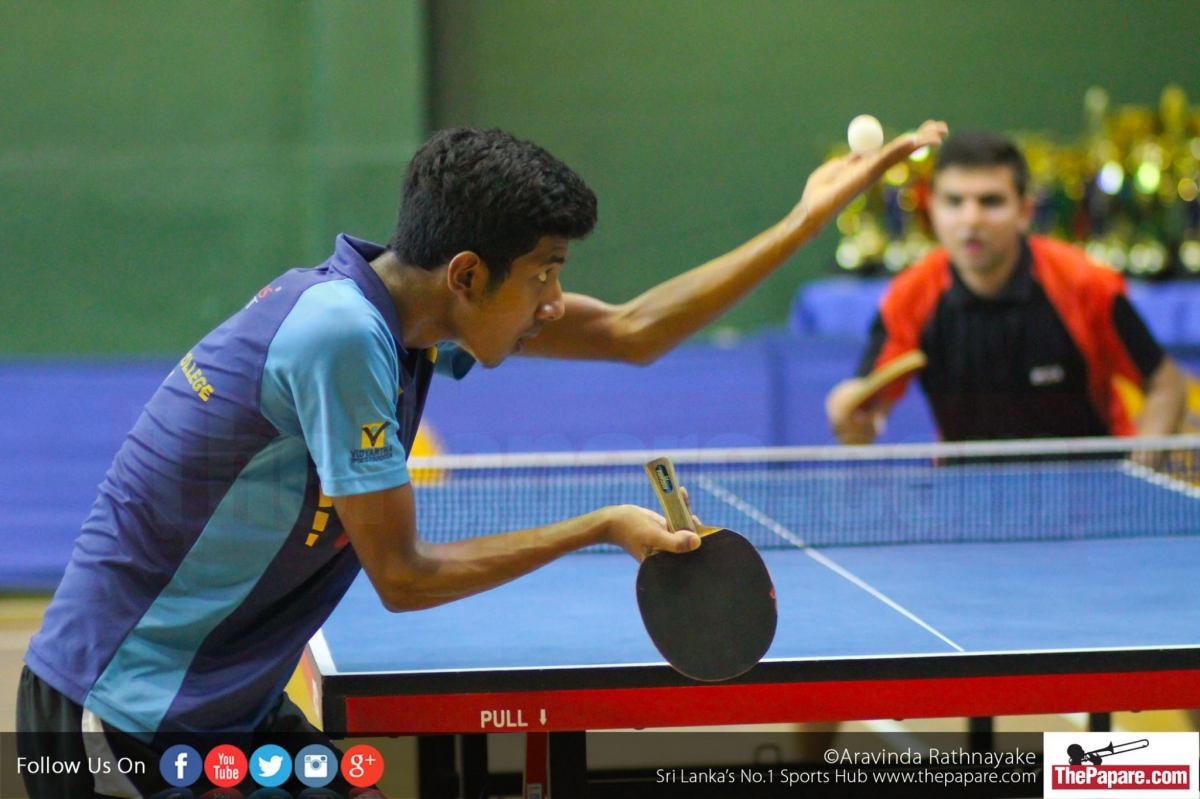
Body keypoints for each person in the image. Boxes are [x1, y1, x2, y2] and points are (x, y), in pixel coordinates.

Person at [18, 122, 946, 798]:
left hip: (223, 697)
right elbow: (406, 578)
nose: (553, 297)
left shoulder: (408, 313)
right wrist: (597, 525)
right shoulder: (343, 335)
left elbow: (631, 331)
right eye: (544, 270)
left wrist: (803, 220)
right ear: (468, 274)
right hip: (124, 710)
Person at [826, 129, 1185, 445]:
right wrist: (854, 417)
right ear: (931, 209)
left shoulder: (1085, 284)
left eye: (990, 201)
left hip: (1089, 495)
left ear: (1025, 211)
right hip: (970, 496)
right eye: (954, 202)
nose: (971, 220)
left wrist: (1141, 468)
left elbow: (1165, 386)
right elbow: (868, 407)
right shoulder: (910, 297)